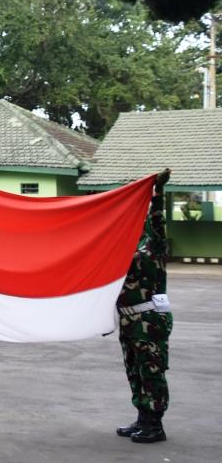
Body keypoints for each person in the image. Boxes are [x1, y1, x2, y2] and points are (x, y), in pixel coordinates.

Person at [116, 169, 172, 444]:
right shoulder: (124, 243)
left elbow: (158, 218)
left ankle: (155, 424)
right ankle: (142, 418)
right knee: (134, 370)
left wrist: (156, 193)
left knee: (151, 371)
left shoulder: (155, 243)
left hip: (149, 319)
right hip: (128, 321)